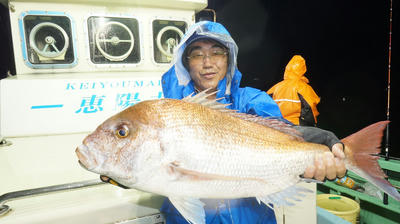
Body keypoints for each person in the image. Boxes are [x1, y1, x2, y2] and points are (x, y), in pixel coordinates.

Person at [160, 21, 346, 224]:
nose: (208, 62)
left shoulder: (250, 100)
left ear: (229, 59)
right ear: (186, 62)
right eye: (197, 54)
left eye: (217, 52)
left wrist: (323, 141)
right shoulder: (170, 111)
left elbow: (280, 131)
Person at [267, 55, 320, 126]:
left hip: (277, 121)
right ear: (303, 69)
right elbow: (310, 107)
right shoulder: (304, 87)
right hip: (296, 123)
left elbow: (265, 102)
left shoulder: (276, 86)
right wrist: (310, 123)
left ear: (287, 69)